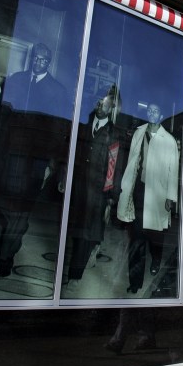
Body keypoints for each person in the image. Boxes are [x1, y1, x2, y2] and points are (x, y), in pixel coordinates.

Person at [0, 42, 71, 277]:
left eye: (43, 60)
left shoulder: (57, 91)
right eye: (36, 58)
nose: (38, 62)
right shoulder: (16, 80)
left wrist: (53, 163)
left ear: (48, 63)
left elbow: (60, 131)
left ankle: (5, 258)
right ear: (32, 58)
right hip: (7, 154)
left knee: (19, 209)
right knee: (4, 205)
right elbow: (0, 114)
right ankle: (18, 226)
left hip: (35, 160)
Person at [64, 85, 123, 289]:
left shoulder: (114, 134)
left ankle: (75, 274)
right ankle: (85, 256)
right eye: (98, 103)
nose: (100, 107)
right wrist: (64, 177)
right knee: (75, 229)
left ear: (111, 108)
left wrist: (111, 193)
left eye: (105, 104)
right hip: (78, 186)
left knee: (86, 233)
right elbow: (70, 153)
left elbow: (115, 166)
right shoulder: (83, 124)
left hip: (98, 191)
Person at [117, 102, 179, 294]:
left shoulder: (168, 140)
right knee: (136, 238)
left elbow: (173, 170)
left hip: (157, 195)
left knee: (154, 235)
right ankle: (134, 282)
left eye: (156, 110)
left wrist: (170, 197)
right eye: (150, 110)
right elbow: (131, 160)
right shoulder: (139, 132)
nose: (152, 113)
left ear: (161, 115)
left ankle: (157, 259)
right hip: (138, 191)